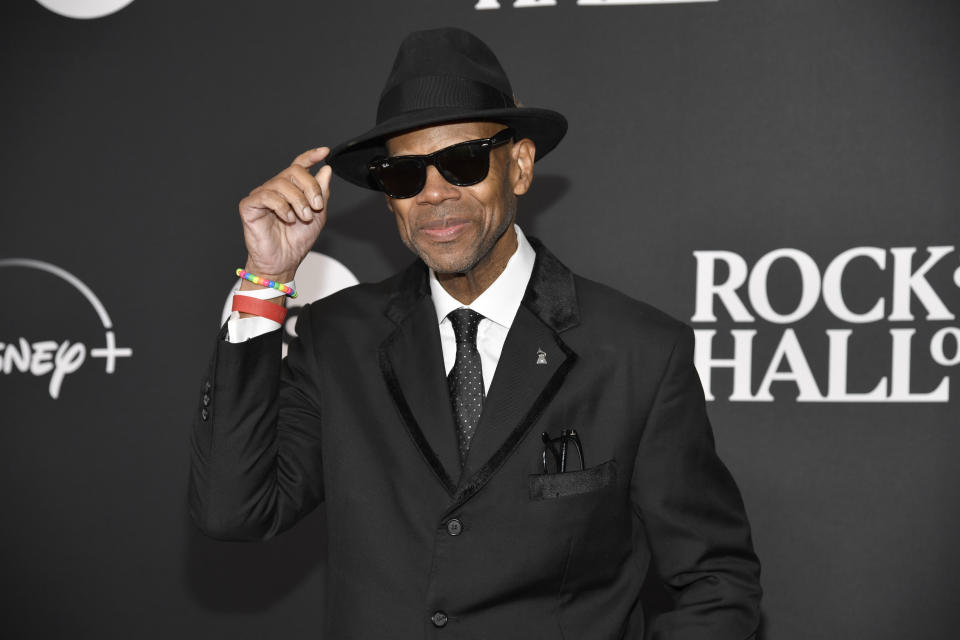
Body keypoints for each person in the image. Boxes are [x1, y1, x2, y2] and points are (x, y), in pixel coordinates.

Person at [190, 27, 761, 639]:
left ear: (518, 166)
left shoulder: (638, 352)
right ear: (389, 198)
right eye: (405, 175)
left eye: (462, 162)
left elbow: (716, 583)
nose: (434, 194)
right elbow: (235, 510)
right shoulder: (337, 338)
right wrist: (267, 278)